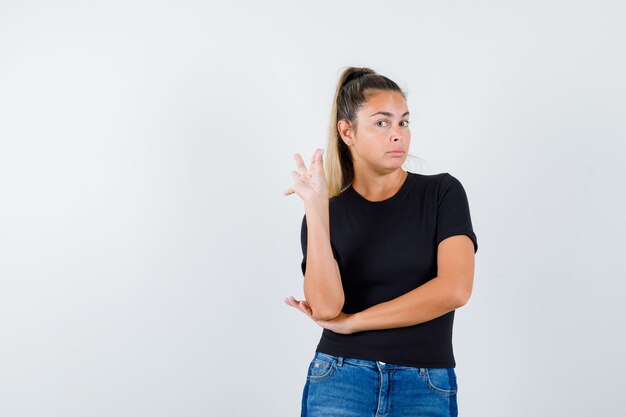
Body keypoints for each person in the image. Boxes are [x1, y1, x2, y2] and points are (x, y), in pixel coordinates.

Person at [282, 66, 478, 417]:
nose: (397, 135)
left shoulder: (441, 193)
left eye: (404, 122)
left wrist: (353, 322)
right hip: (340, 379)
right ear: (348, 132)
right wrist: (316, 208)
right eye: (382, 123)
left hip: (424, 383)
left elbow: (454, 290)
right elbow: (327, 308)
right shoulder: (326, 214)